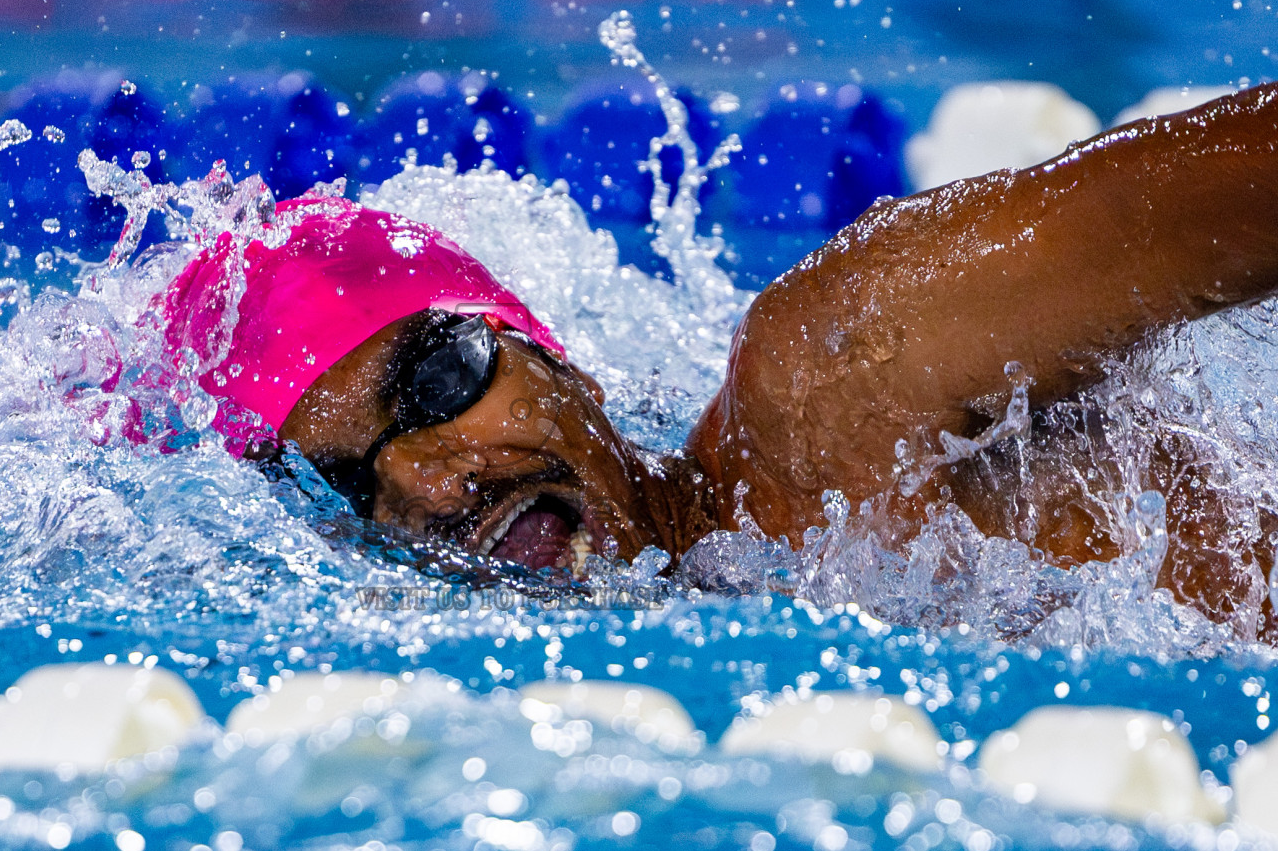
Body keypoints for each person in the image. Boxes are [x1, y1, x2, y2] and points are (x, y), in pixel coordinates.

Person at [154, 84, 1278, 634]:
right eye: (354, 478)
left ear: (557, 360)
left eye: (440, 379)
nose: (431, 480)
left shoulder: (836, 374)